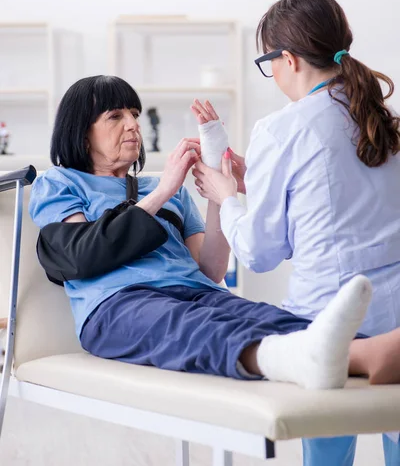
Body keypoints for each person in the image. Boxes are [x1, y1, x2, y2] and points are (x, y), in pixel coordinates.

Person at [28, 75, 400, 394]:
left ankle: (370, 350)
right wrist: (163, 192)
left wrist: (219, 195)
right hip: (117, 307)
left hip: (198, 293)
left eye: (135, 115)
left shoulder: (169, 191)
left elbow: (211, 269)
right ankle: (351, 357)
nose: (133, 125)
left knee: (259, 316)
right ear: (81, 130)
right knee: (191, 328)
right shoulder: (60, 183)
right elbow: (80, 255)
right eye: (115, 116)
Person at [190, 0, 400, 465]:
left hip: (331, 323)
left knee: (326, 452)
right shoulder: (384, 119)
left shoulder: (282, 129)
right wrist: (258, 182)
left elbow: (261, 252)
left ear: (288, 59)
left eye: (270, 63)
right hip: (397, 326)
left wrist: (227, 197)